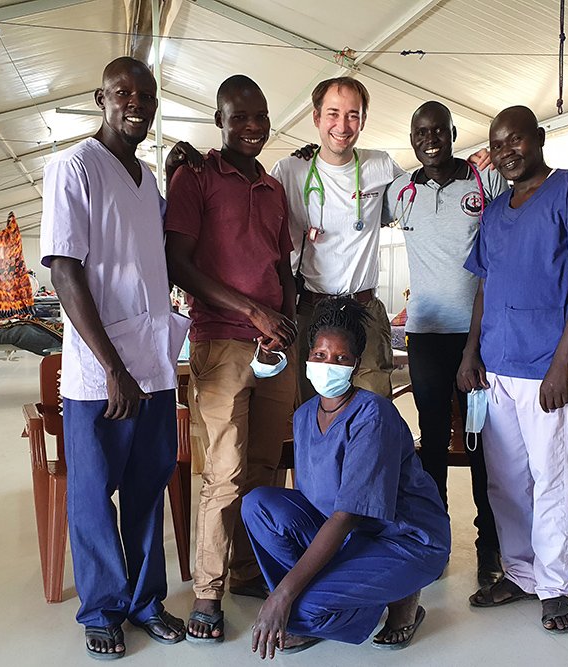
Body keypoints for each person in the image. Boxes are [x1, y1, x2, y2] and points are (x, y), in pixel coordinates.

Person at [40, 56, 186, 660]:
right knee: (94, 494)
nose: (136, 104)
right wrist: (113, 369)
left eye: (146, 96)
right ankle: (101, 608)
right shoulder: (74, 167)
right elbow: (66, 273)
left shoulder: (149, 178)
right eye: (123, 94)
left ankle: (147, 600)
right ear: (99, 98)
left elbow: (149, 264)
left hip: (153, 365)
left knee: (149, 488)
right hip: (101, 378)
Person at [458, 106, 568, 632]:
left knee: (554, 481)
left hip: (552, 370)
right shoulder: (496, 211)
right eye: (497, 145)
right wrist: (470, 353)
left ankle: (554, 587)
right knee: (505, 481)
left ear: (539, 139)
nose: (506, 152)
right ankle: (521, 573)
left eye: (515, 140)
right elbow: (484, 287)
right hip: (498, 369)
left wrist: (562, 360)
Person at [165, 74, 298, 643]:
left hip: (274, 346)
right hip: (220, 343)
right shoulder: (194, 178)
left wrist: (283, 325)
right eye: (239, 117)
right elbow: (180, 264)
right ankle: (207, 591)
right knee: (224, 473)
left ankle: (248, 570)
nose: (252, 127)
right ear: (219, 121)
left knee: (265, 469)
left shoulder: (272, 189)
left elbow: (283, 268)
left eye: (260, 117)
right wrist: (252, 313)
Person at [242, 296, 450, 658]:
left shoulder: (373, 415)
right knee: (258, 504)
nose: (328, 365)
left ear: (355, 365)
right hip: (354, 538)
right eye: (321, 355)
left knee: (299, 609)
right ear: (308, 357)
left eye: (341, 358)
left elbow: (347, 513)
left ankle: (400, 598)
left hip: (404, 540)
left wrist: (284, 593)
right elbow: (313, 500)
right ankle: (329, 597)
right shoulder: (306, 415)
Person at [385, 101, 507, 587]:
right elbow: (346, 205)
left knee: (482, 444)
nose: (430, 139)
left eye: (438, 130)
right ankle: (432, 541)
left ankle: (489, 546)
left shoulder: (485, 183)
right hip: (427, 339)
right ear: (412, 139)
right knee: (431, 443)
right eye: (420, 133)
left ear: (453, 132)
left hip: (480, 337)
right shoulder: (402, 191)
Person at [270, 77, 406, 401]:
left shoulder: (382, 166)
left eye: (352, 115)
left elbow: (425, 192)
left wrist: (468, 168)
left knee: (374, 411)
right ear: (316, 118)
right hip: (311, 310)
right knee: (316, 408)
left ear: (363, 120)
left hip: (365, 311)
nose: (342, 126)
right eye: (332, 114)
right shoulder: (289, 171)